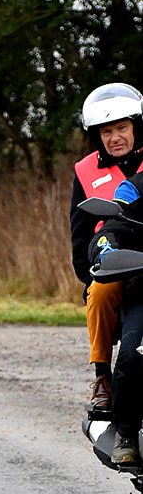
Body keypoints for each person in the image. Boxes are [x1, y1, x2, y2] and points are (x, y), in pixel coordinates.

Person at [70, 83, 143, 415]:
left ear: (135, 127)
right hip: (110, 262)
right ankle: (102, 376)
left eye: (122, 128)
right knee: (99, 290)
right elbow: (79, 234)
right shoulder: (85, 170)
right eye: (107, 131)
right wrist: (90, 275)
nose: (115, 137)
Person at [90, 170, 143, 464]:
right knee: (132, 354)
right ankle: (127, 433)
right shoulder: (134, 188)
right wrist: (107, 250)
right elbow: (112, 228)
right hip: (142, 290)